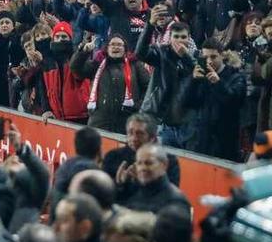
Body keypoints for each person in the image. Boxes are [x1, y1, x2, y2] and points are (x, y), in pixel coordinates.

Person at [137, 18, 196, 149]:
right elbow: (140, 53)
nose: (179, 40)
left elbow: (201, 75)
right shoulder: (161, 53)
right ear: (170, 38)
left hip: (186, 123)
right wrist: (150, 26)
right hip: (161, 120)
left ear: (189, 38)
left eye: (183, 37)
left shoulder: (196, 56)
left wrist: (186, 56)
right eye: (176, 36)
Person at [72, 34, 150, 132]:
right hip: (99, 123)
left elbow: (148, 87)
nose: (115, 47)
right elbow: (76, 70)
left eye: (119, 45)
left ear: (125, 49)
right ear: (107, 48)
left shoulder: (135, 65)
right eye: (112, 44)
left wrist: (138, 105)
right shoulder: (97, 64)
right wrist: (83, 52)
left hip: (128, 123)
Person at [184, 38, 246, 161]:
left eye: (213, 57)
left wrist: (218, 83)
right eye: (206, 57)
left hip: (226, 142)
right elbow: (188, 103)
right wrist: (193, 81)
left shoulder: (236, 77)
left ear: (222, 55)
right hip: (201, 140)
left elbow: (234, 103)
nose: (209, 61)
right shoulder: (200, 76)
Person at [102, 113, 180, 188]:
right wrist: (120, 183)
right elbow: (103, 192)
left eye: (140, 134)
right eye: (130, 132)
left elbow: (169, 195)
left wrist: (145, 180)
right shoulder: (113, 156)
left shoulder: (168, 161)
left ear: (152, 138)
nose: (134, 138)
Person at [115, 143, 190, 214]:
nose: (143, 168)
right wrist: (122, 186)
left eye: (149, 163)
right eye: (139, 163)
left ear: (164, 165)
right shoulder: (134, 191)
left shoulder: (176, 201)